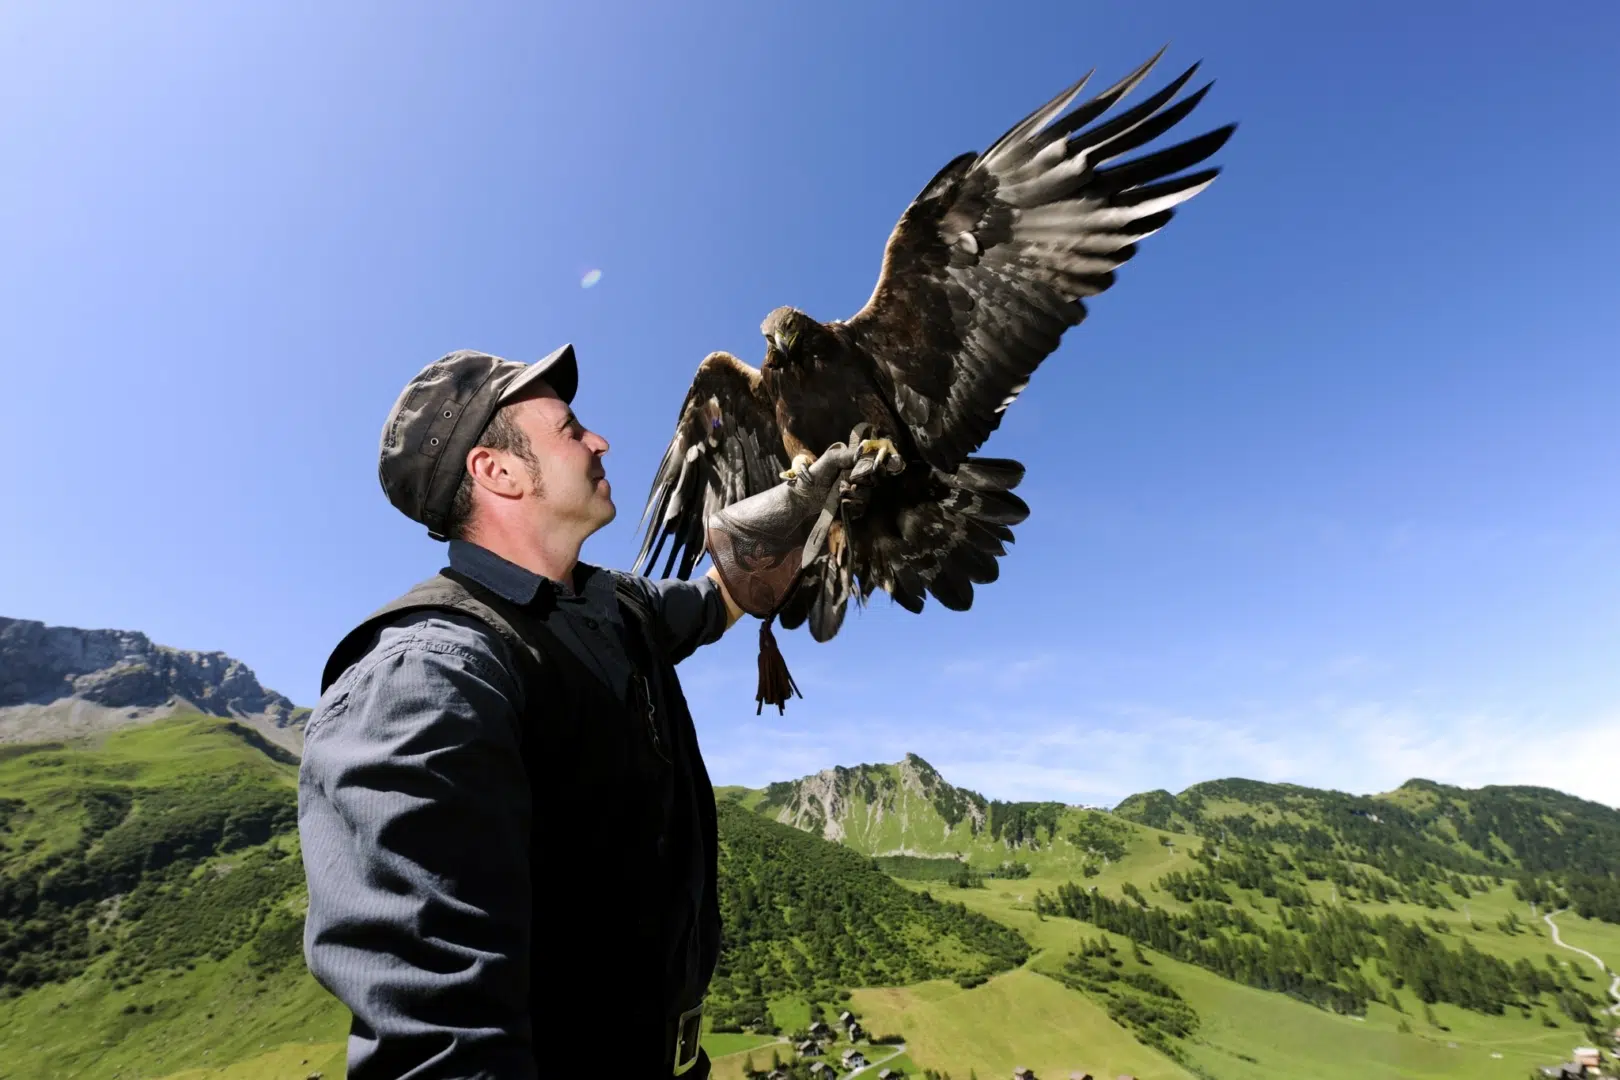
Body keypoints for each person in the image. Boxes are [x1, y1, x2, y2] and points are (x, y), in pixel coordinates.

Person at [299, 345, 870, 1079]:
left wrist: (797, 506)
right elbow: (441, 1043)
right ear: (498, 472)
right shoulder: (430, 673)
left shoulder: (610, 604)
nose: (600, 440)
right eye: (570, 430)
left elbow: (720, 598)